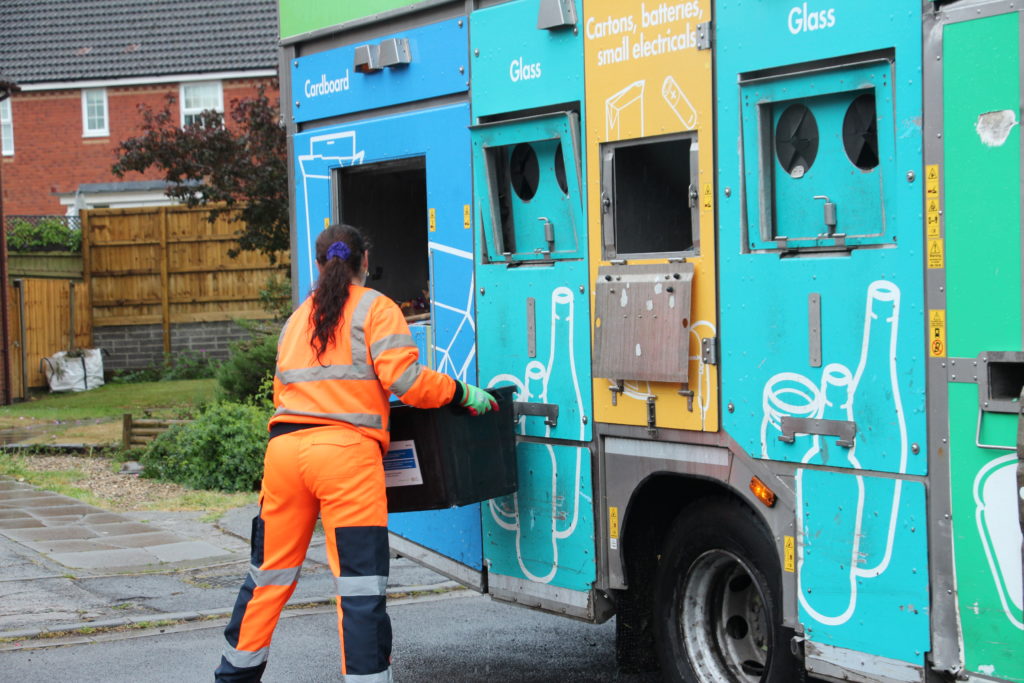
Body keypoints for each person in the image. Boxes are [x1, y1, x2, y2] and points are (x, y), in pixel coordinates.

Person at [214, 224, 498, 682]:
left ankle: (233, 677)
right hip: (345, 457)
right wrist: (462, 391)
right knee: (359, 588)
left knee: (267, 578)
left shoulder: (296, 320)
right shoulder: (377, 308)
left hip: (285, 455)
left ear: (319, 263)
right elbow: (407, 383)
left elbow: (281, 394)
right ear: (365, 261)